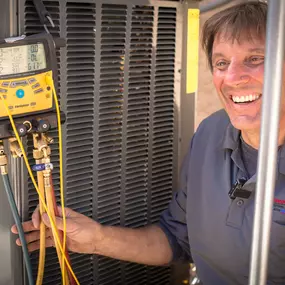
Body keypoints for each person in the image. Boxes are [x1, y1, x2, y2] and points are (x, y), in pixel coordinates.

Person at [11, 1, 285, 284]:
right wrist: (96, 239)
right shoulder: (210, 134)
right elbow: (178, 240)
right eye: (221, 63)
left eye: (255, 59)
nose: (233, 78)